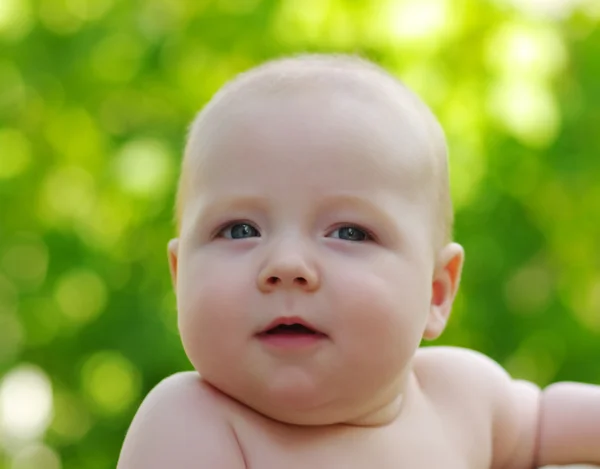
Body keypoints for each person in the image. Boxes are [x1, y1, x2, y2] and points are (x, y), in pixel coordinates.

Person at [117, 54, 600, 469]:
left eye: (349, 233)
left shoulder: (459, 396)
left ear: (435, 292)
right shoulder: (192, 421)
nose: (286, 265)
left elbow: (546, 422)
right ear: (179, 280)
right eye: (239, 230)